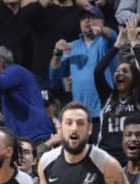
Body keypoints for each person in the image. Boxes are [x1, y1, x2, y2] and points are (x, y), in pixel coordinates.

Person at [49, 5, 117, 139]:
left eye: (92, 18)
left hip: (104, 112)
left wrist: (101, 30)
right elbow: (54, 75)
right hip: (80, 114)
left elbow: (114, 36)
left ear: (102, 21)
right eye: (84, 19)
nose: (87, 21)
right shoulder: (72, 46)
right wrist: (57, 53)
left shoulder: (105, 42)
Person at [94, 19, 140, 166]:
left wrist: (133, 42)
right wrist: (116, 46)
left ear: (133, 78)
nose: (119, 73)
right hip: (106, 159)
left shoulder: (139, 98)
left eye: (125, 71)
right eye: (117, 71)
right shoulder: (107, 97)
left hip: (131, 159)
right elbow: (98, 71)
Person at [0, 45, 54, 145]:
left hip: (35, 134)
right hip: (23, 137)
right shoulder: (10, 80)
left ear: (0, 62)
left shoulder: (15, 70)